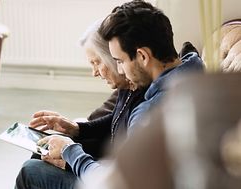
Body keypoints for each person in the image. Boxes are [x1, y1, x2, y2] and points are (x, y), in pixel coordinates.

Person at [15, 1, 204, 188]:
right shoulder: (194, 69)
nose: (120, 71)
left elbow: (115, 184)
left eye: (119, 61)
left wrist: (69, 151)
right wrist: (78, 130)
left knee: (31, 170)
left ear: (142, 56)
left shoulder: (148, 113)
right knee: (44, 152)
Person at [15, 20, 148, 189]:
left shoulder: (144, 103)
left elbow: (118, 179)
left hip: (109, 178)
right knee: (45, 148)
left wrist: (70, 157)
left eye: (96, 62)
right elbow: (115, 120)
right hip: (104, 168)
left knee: (30, 171)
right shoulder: (128, 86)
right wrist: (76, 128)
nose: (94, 72)